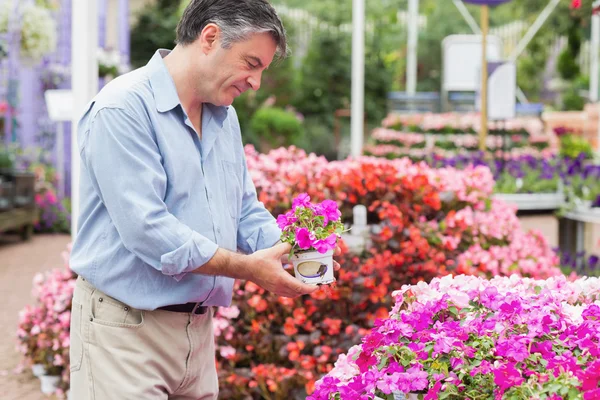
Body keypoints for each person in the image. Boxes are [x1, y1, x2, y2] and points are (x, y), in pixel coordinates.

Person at [68, 1, 338, 398]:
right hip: (124, 331)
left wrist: (297, 253)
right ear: (210, 37)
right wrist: (249, 268)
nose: (255, 83)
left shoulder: (223, 116)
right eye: (251, 63)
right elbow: (149, 230)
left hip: (197, 332)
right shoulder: (122, 108)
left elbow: (244, 210)